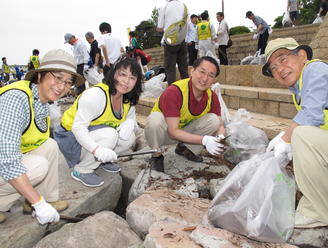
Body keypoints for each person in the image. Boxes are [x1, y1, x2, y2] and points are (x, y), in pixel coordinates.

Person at [263, 37, 328, 228]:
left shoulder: (316, 69)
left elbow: (310, 116)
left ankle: (317, 212)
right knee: (300, 137)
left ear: (302, 55)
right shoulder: (299, 88)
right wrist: (286, 138)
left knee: (301, 135)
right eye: (273, 67)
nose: (279, 69)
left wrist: (286, 138)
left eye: (283, 59)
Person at [0, 49, 85, 224]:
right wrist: (38, 203)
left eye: (68, 82)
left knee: (49, 145)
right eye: (57, 77)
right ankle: (31, 201)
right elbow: (7, 159)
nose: (62, 86)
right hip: (4, 158)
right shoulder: (16, 98)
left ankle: (45, 198)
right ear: (39, 76)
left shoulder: (41, 101)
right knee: (38, 166)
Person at [54, 57, 143, 187]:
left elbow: (131, 119)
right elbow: (78, 128)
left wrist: (130, 122)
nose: (126, 81)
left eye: (132, 78)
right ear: (113, 74)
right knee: (110, 135)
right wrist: (97, 150)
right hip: (71, 138)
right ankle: (82, 169)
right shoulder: (96, 95)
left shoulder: (127, 100)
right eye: (123, 74)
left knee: (129, 138)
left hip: (94, 134)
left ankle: (101, 161)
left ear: (137, 82)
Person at [144, 56, 226, 173]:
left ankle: (186, 149)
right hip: (165, 133)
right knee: (154, 120)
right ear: (192, 71)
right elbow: (173, 131)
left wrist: (220, 137)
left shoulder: (211, 96)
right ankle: (157, 155)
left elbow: (220, 125)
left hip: (185, 132)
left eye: (211, 75)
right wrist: (204, 140)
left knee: (214, 120)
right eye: (202, 72)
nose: (205, 78)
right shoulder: (175, 92)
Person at [156, 0, 189, 85]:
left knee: (170, 68)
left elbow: (159, 28)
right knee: (184, 69)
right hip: (182, 40)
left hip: (170, 43)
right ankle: (187, 90)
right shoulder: (184, 6)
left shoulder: (165, 7)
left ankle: (172, 92)